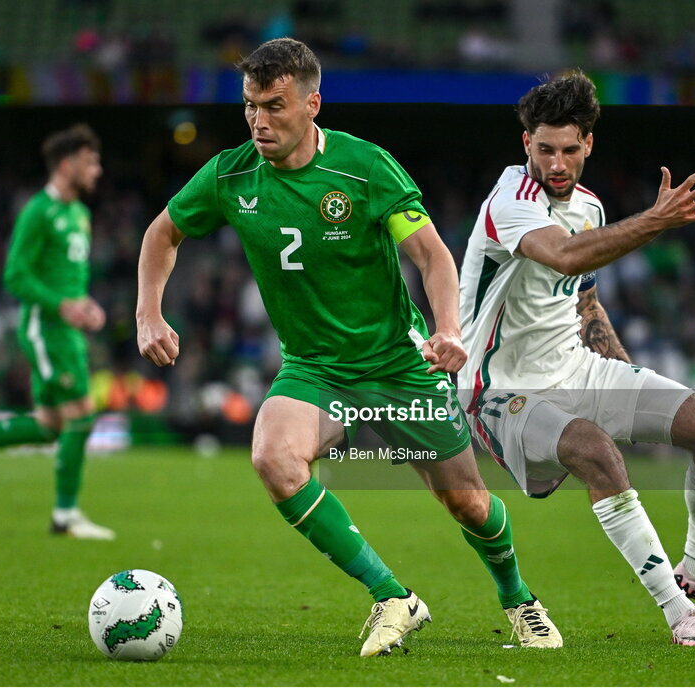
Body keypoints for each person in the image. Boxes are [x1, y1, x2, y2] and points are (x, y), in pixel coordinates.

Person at [136, 38, 558, 656]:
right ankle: (393, 597)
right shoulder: (229, 175)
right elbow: (162, 233)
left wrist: (447, 329)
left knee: (466, 501)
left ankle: (519, 599)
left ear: (313, 104)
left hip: (397, 362)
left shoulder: (363, 168)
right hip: (315, 369)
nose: (258, 120)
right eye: (250, 105)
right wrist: (149, 312)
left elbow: (432, 255)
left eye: (274, 105)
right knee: (274, 459)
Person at [458, 70, 695, 648]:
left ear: (588, 144)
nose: (556, 164)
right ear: (526, 144)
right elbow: (566, 258)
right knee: (594, 451)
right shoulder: (511, 200)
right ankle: (679, 615)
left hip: (577, 368)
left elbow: (585, 300)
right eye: (543, 149)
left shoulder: (591, 207)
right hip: (497, 390)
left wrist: (626, 383)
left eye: (569, 150)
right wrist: (655, 220)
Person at [0, 124, 114, 541]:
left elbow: (67, 280)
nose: (97, 169)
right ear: (67, 165)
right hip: (46, 328)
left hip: (67, 329)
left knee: (50, 425)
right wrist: (62, 306)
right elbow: (14, 275)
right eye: (90, 161)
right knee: (82, 414)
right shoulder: (38, 211)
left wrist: (84, 305)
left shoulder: (78, 213)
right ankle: (65, 516)